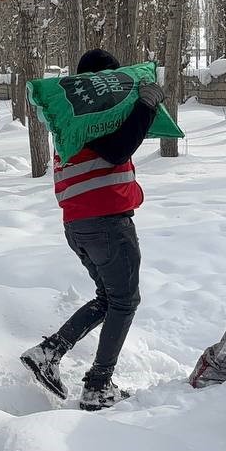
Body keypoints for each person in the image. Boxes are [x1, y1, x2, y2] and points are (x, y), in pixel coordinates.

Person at [20, 48, 165, 411]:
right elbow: (118, 150)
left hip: (79, 225)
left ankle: (49, 353)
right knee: (125, 302)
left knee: (109, 298)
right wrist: (145, 106)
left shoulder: (71, 119)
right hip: (107, 224)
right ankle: (98, 385)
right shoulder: (95, 114)